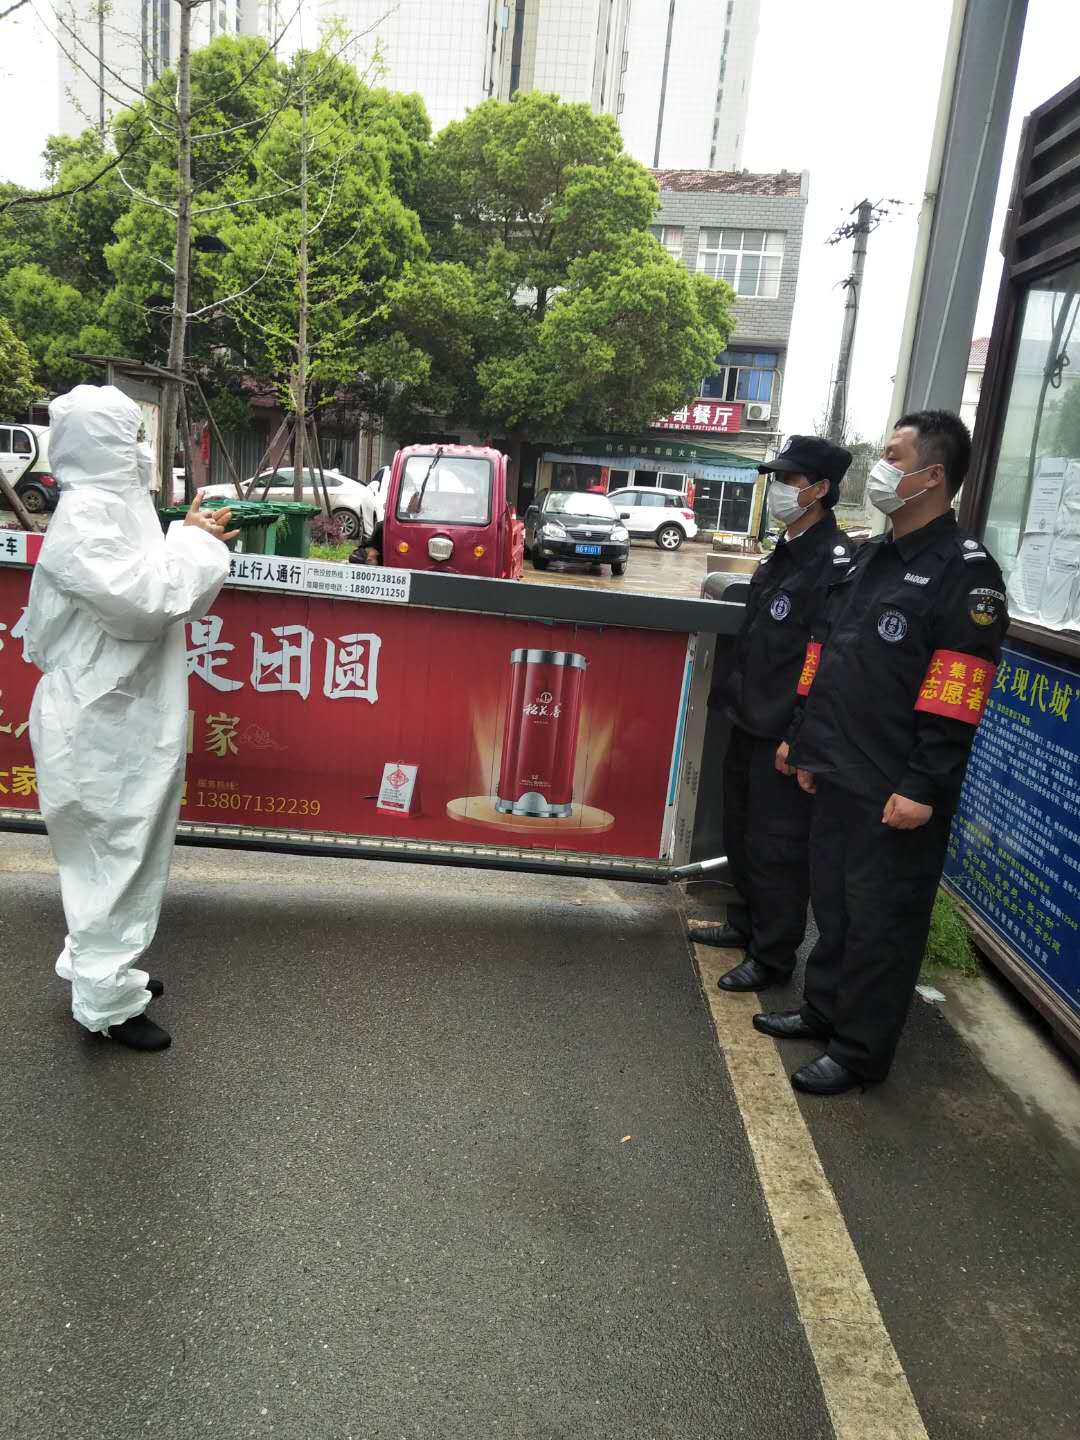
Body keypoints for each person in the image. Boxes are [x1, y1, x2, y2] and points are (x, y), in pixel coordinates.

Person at [757, 411, 1007, 1095]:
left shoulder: (965, 573)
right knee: (836, 908)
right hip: (838, 767)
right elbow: (828, 657)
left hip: (896, 783)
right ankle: (822, 1010)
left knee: (881, 922)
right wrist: (806, 742)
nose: (880, 467)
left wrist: (923, 785)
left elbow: (958, 692)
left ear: (933, 476)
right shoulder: (869, 558)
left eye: (894, 456)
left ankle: (859, 1051)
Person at [26, 385, 237, 1052]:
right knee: (114, 858)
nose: (143, 450)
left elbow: (146, 572)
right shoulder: (87, 518)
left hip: (118, 714)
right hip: (100, 723)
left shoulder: (112, 506)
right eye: (133, 437)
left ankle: (99, 968)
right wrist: (196, 544)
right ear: (106, 444)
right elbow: (145, 600)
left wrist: (187, 533)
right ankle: (107, 1003)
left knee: (111, 858)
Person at [692, 436, 855, 993]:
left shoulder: (833, 562)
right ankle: (745, 924)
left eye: (789, 481)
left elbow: (825, 657)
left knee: (777, 847)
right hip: (748, 717)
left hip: (783, 730)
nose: (780, 490)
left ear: (820, 489)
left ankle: (773, 953)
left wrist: (798, 733)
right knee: (741, 832)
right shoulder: (782, 551)